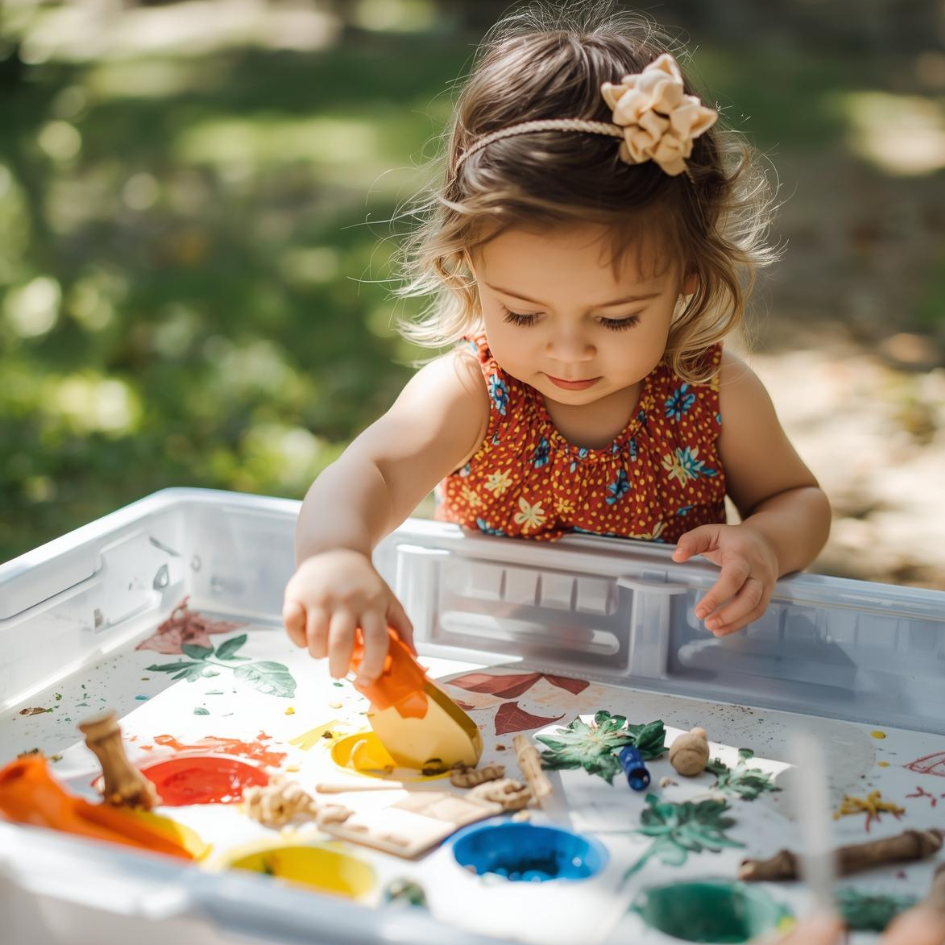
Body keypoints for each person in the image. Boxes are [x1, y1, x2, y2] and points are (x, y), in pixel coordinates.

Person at [282, 1, 831, 685]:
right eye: (522, 314)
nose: (568, 352)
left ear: (686, 277)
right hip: (493, 670)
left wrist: (765, 543)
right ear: (469, 268)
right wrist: (335, 554)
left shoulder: (711, 394)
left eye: (616, 320)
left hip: (674, 681)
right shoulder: (470, 394)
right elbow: (370, 474)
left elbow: (798, 500)